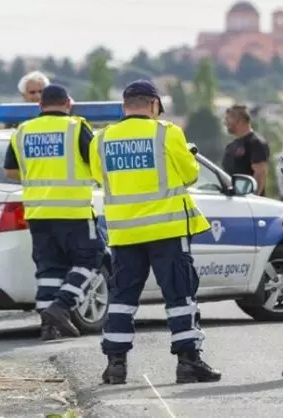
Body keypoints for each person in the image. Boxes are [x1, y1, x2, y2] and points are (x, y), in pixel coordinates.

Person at [88, 79, 222, 385]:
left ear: (125, 106)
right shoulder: (167, 132)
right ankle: (188, 363)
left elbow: (99, 177)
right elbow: (189, 175)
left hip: (125, 234)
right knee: (179, 297)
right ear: (154, 105)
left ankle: (115, 366)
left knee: (122, 299)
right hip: (167, 231)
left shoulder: (102, 139)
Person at [4, 84, 105, 341]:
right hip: (74, 211)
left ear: (40, 106)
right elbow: (96, 163)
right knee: (91, 258)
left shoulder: (22, 131)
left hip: (38, 212)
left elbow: (11, 172)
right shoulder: (75, 127)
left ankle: (48, 326)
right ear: (68, 103)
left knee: (49, 268)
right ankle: (62, 306)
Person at [222, 105, 270, 196]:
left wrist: (253, 199)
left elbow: (260, 174)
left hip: (247, 202)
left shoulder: (256, 143)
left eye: (229, 119)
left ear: (241, 121)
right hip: (231, 200)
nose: (226, 123)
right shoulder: (230, 146)